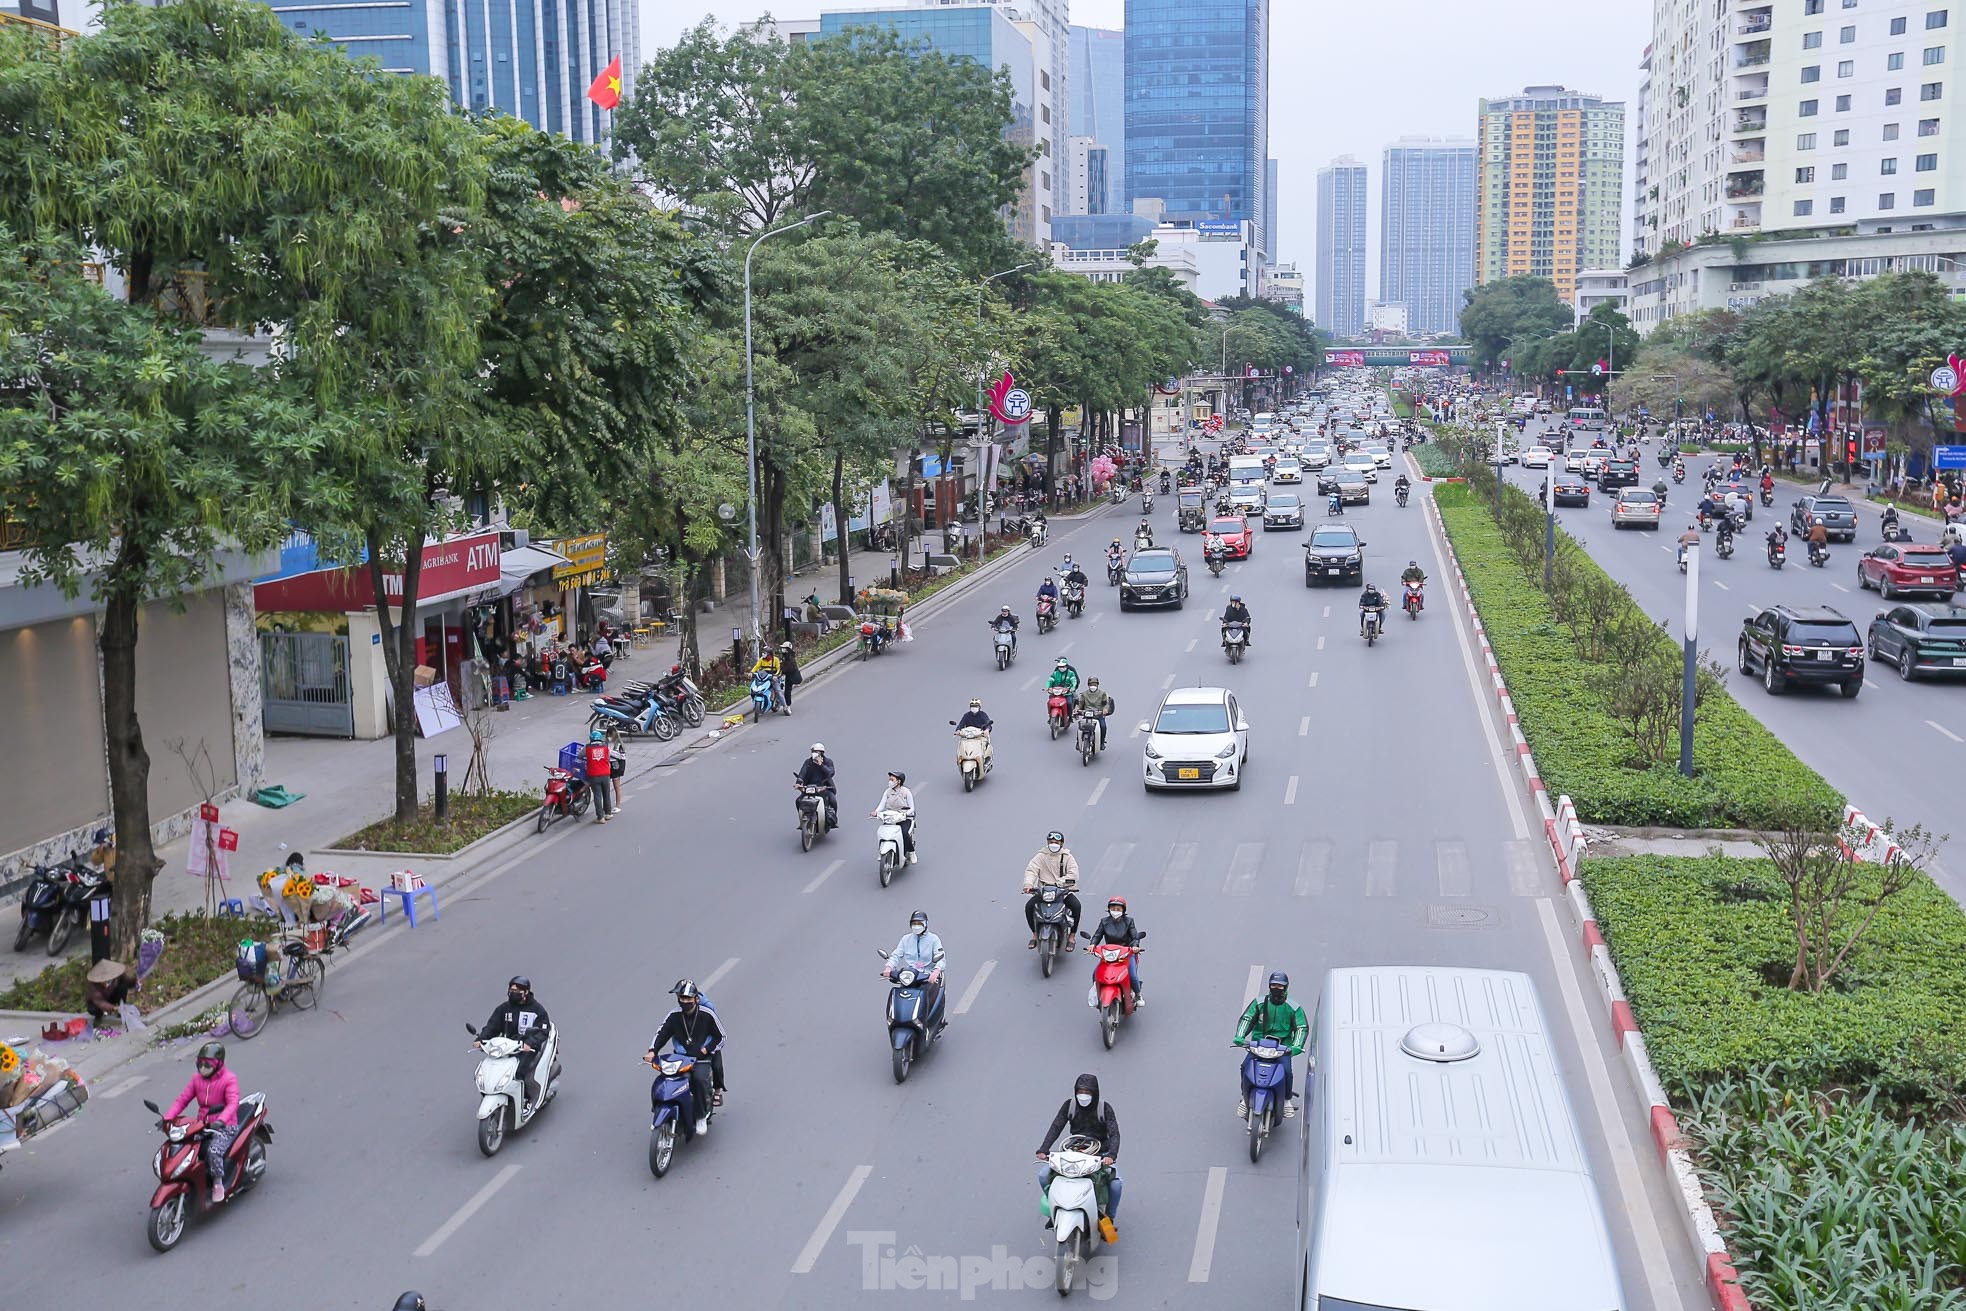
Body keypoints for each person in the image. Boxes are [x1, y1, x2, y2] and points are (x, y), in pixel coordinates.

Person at [1034, 1073, 1122, 1242]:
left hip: (1099, 1155)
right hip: (1072, 1153)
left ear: (1095, 1093)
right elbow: (1056, 1126)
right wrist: (1044, 1148)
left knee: (1116, 1185)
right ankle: (1055, 1211)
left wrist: (1111, 1155)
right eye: (1080, 1091)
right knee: (1043, 1175)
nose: (1083, 1096)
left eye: (1087, 1092)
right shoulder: (1070, 1106)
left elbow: (1115, 1134)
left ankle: (1109, 1218)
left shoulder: (1105, 1109)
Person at [647, 980, 725, 1136]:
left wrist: (706, 1049)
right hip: (681, 1057)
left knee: (699, 1079)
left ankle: (701, 1116)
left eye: (689, 999)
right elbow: (662, 1033)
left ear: (696, 999)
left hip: (701, 1057)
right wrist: (652, 1051)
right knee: (667, 1079)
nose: (685, 1002)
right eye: (682, 999)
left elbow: (721, 1036)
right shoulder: (674, 1016)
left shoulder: (707, 1014)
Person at [165, 1042, 240, 1203]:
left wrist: (221, 1120)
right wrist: (168, 1118)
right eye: (200, 1064)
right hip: (202, 1125)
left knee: (213, 1151)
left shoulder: (229, 1079)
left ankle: (218, 1183)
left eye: (207, 1065)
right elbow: (182, 1100)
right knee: (185, 1147)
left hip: (224, 1126)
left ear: (218, 1064)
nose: (202, 1068)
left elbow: (233, 1103)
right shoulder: (196, 1080)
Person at [1234, 972, 1309, 1119]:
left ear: (1286, 987)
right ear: (1269, 986)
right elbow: (1247, 1019)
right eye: (1274, 985)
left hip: (1281, 1049)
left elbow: (1301, 1027)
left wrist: (1296, 1046)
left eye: (1280, 986)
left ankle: (1287, 1100)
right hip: (1259, 1046)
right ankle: (1244, 1098)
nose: (1277, 988)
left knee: (1286, 1071)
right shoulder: (1259, 1003)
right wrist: (1240, 1036)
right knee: (1245, 1066)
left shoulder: (1293, 1008)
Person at [480, 976, 551, 1113]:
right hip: (506, 1047)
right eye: (511, 990)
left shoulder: (537, 1010)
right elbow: (492, 1026)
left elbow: (543, 1031)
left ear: (525, 992)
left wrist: (529, 1043)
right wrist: (482, 1039)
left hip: (526, 1049)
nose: (513, 993)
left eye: (517, 991)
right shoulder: (504, 1009)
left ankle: (526, 1099)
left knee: (518, 1072)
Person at [883, 909, 947, 1037]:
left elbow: (941, 958)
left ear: (926, 924)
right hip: (910, 976)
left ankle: (928, 1025)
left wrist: (936, 971)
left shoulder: (934, 939)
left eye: (919, 923)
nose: (916, 926)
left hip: (927, 976)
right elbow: (896, 954)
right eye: (914, 923)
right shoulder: (906, 939)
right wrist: (889, 967)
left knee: (927, 999)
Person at [1023, 830, 1082, 949]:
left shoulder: (1068, 857)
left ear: (1062, 843)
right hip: (1044, 891)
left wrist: (1059, 883)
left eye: (1056, 841)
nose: (1053, 844)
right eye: (1051, 841)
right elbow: (1031, 870)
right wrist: (1028, 884)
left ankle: (1072, 936)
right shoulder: (1041, 856)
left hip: (1062, 890)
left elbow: (1073, 874)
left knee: (1076, 906)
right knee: (1029, 907)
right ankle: (1035, 934)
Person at [1086, 896, 1144, 1005]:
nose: (1115, 911)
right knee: (1095, 974)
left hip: (1126, 953)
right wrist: (1092, 944)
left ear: (1123, 910)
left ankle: (1138, 994)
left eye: (1118, 909)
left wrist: (1135, 947)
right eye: (1113, 909)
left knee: (1132, 975)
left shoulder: (1129, 921)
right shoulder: (1104, 922)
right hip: (1109, 954)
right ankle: (1098, 994)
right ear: (1109, 909)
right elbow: (1097, 935)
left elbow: (1135, 936)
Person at [871, 770, 917, 864]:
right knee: (882, 832)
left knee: (904, 833)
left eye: (892, 779)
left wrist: (906, 814)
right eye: (889, 779)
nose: (890, 781)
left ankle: (911, 853)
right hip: (891, 817)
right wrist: (876, 812)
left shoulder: (906, 792)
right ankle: (881, 851)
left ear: (898, 781)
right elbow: (882, 804)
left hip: (904, 818)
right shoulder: (887, 792)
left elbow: (912, 808)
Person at [796, 743, 838, 831]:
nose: (815, 754)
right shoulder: (808, 762)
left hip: (824, 788)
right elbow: (802, 774)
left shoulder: (828, 762)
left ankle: (833, 820)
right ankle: (802, 822)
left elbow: (831, 773)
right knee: (798, 801)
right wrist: (799, 783)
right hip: (810, 788)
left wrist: (821, 765)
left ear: (822, 753)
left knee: (833, 800)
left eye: (817, 752)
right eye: (814, 752)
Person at [85, 958, 135, 1024]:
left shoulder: (116, 976)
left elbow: (127, 982)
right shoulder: (94, 986)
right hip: (98, 1002)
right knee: (93, 1009)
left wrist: (135, 982)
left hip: (111, 996)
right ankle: (99, 1016)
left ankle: (122, 1008)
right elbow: (100, 1002)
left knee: (122, 987)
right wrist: (114, 1008)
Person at [583, 729, 614, 825]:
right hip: (605, 774)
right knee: (606, 794)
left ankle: (600, 817)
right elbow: (608, 758)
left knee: (597, 796)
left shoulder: (587, 748)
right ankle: (608, 813)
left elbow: (579, 756)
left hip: (594, 775)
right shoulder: (605, 747)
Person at [1076, 677, 1114, 750]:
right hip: (1087, 714)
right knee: (1080, 727)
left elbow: (1106, 703)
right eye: (1091, 684)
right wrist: (1076, 709)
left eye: (1094, 684)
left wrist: (1105, 709)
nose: (1093, 686)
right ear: (1088, 685)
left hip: (1098, 714)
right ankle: (1078, 742)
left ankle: (1102, 742)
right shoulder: (1084, 694)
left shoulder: (1102, 694)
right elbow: (1080, 704)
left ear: (1097, 685)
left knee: (1103, 726)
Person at [777, 642, 802, 712]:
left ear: (787, 649)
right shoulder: (786, 656)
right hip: (788, 675)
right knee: (787, 690)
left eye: (784, 648)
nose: (782, 650)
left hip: (791, 676)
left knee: (787, 691)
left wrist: (781, 668)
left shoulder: (790, 657)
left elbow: (788, 668)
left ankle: (787, 706)